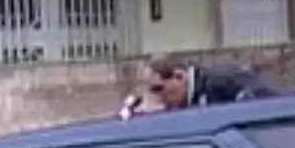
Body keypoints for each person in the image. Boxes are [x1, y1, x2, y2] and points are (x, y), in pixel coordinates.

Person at [119, 54, 277, 118]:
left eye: (158, 89)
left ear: (179, 77)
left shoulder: (220, 84)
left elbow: (265, 107)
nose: (156, 96)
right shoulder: (187, 101)